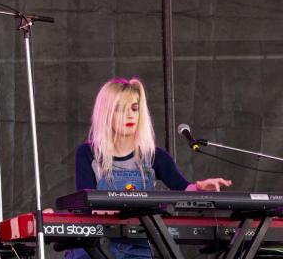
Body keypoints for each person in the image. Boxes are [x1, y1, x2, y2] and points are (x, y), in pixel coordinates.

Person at [68, 77, 232, 259]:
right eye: (120, 109)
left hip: (136, 248)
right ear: (106, 113)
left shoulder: (155, 156)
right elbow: (84, 204)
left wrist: (200, 188)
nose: (130, 115)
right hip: (97, 245)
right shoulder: (88, 153)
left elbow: (183, 188)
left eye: (134, 108)